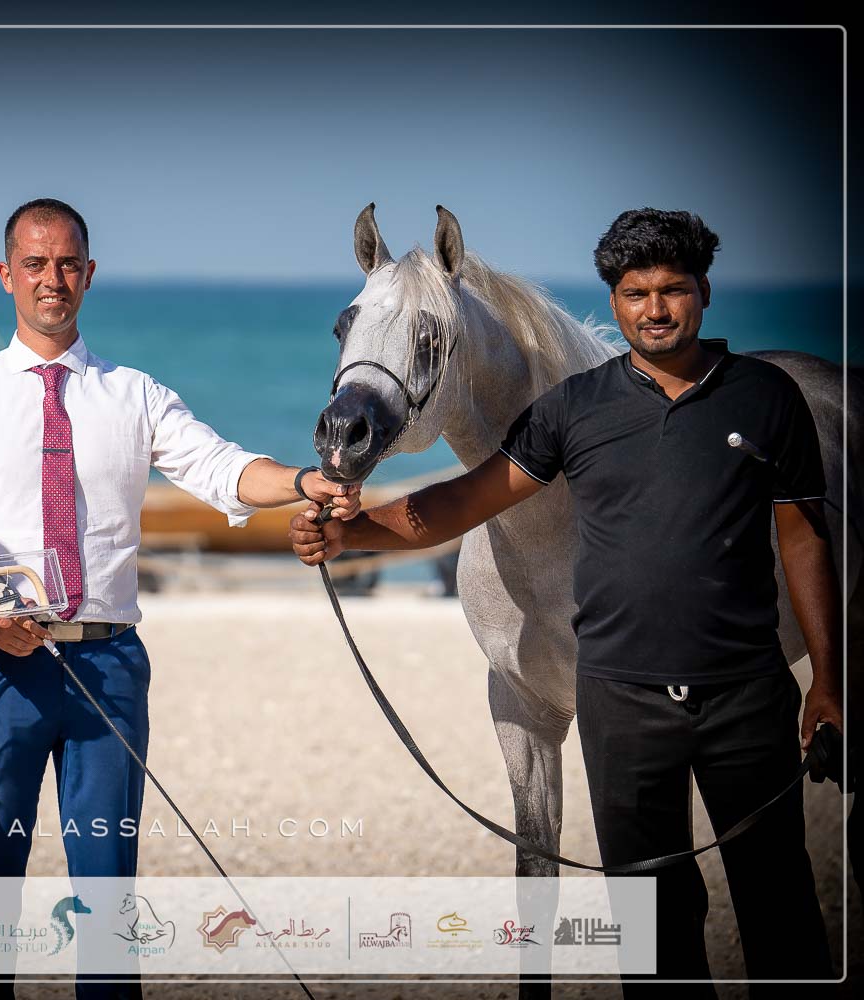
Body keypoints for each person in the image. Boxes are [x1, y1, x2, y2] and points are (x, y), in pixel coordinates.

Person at [290, 208, 841, 990]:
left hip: (745, 691)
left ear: (704, 293)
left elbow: (803, 535)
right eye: (636, 293)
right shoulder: (573, 407)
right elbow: (463, 502)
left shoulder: (767, 398)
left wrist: (826, 676)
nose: (655, 309)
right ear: (614, 301)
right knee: (651, 923)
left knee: (779, 905)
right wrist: (354, 535)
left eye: (673, 290)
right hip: (624, 705)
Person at [0, 198, 360, 998]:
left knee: (109, 885)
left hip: (109, 663)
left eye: (67, 264)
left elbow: (221, 468)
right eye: (35, 264)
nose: (52, 279)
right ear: (7, 274)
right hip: (0, 666)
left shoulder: (136, 395)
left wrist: (303, 481)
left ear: (89, 274)